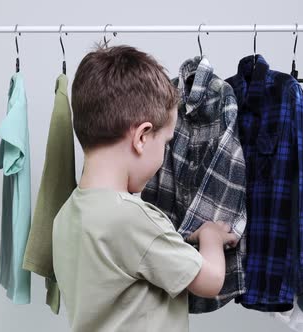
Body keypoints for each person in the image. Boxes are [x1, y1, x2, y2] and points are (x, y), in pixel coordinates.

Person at [52, 44, 239, 332]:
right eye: (165, 143)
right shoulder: (134, 219)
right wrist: (211, 238)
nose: (165, 154)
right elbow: (211, 281)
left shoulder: (66, 216)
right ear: (142, 137)